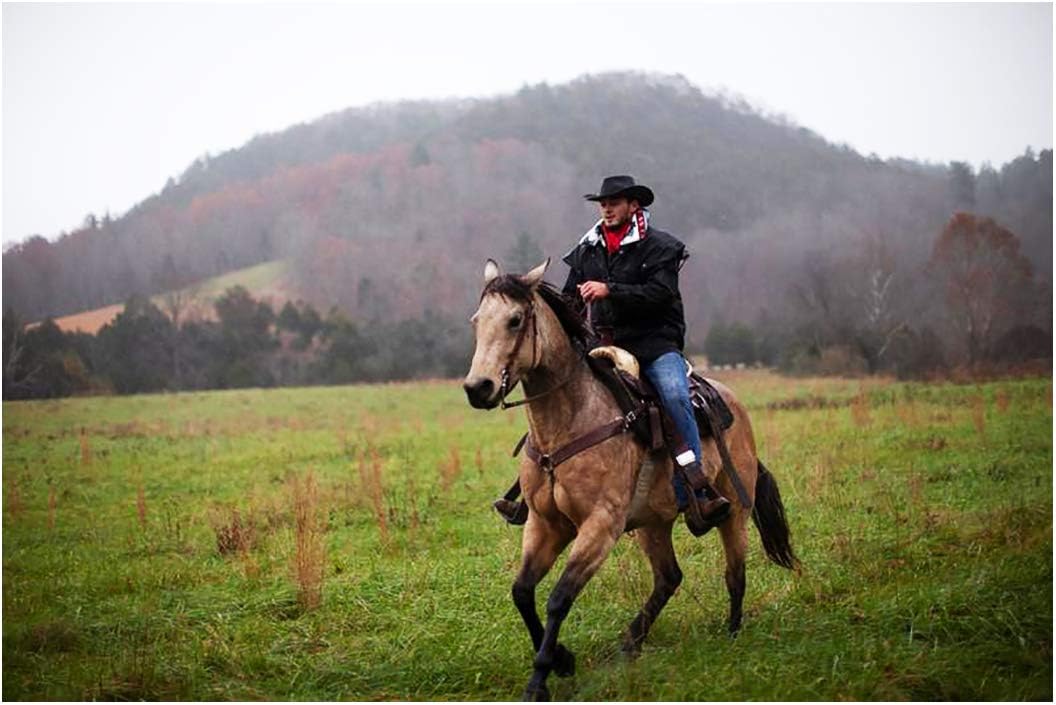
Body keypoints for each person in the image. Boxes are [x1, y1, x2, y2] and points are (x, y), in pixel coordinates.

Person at [495, 175, 730, 536]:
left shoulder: (660, 247)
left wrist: (610, 290)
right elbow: (571, 300)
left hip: (655, 345)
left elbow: (661, 294)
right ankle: (531, 492)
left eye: (614, 202)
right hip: (602, 346)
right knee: (560, 400)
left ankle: (697, 488)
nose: (606, 209)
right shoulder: (588, 249)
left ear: (634, 205)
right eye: (603, 203)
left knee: (674, 395)